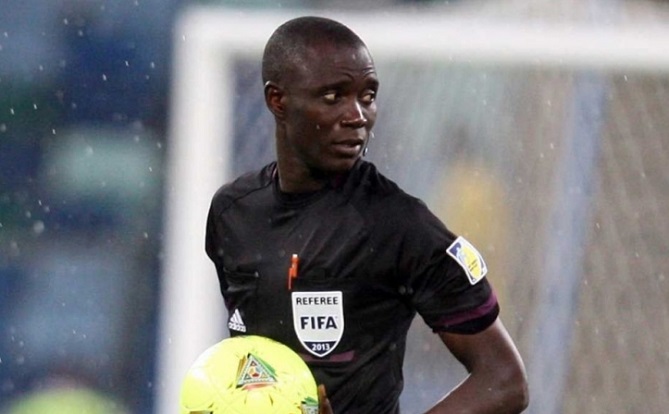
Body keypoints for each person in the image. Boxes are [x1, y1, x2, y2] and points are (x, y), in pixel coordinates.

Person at [205, 16, 529, 414]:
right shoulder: (233, 212)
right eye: (333, 97)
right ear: (278, 101)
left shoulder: (399, 226)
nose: (357, 115)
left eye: (368, 96)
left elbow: (504, 380)